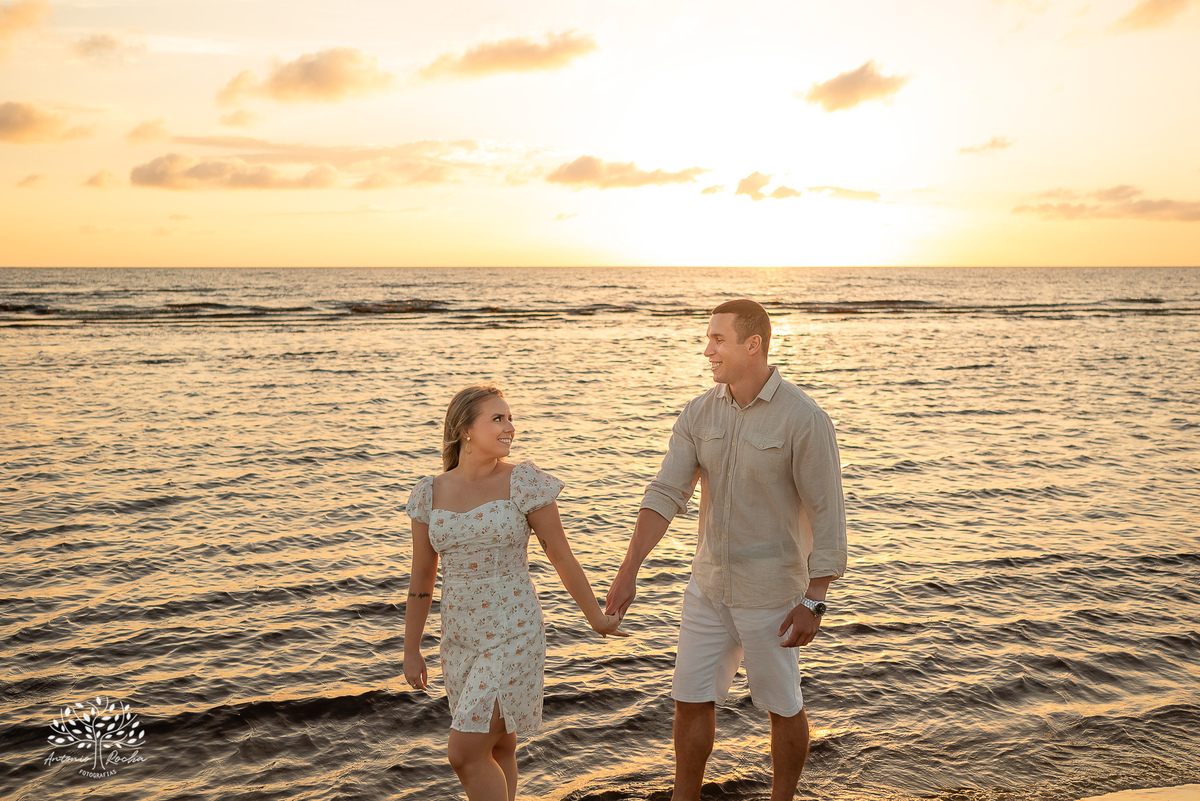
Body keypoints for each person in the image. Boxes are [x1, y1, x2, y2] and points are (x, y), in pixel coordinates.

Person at [605, 299, 848, 801]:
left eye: (718, 339)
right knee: (690, 699)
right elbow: (665, 493)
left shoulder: (804, 419)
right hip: (709, 587)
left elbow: (828, 513)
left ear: (752, 345)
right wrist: (629, 568)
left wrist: (815, 598)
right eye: (708, 338)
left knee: (782, 705)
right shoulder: (698, 412)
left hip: (774, 594)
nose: (707, 349)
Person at [403, 384, 625, 801]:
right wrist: (411, 648)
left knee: (464, 753)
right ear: (465, 430)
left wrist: (595, 617)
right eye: (498, 419)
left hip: (514, 632)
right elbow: (421, 580)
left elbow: (561, 556)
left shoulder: (523, 481)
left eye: (510, 418)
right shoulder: (428, 493)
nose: (511, 427)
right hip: (460, 639)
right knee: (498, 745)